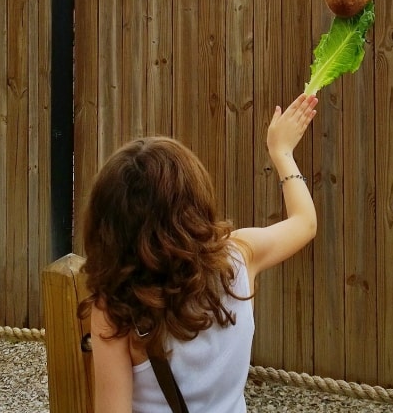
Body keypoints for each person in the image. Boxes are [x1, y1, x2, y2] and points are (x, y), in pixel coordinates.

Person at [78, 92, 318, 413]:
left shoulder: (116, 308)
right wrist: (282, 152)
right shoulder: (239, 256)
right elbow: (304, 222)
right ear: (195, 202)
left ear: (107, 224)